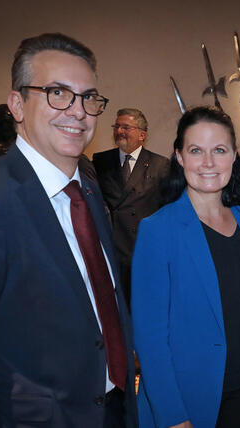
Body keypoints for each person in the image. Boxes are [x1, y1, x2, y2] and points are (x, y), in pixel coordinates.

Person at [0, 33, 138, 428]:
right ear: (17, 104)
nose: (78, 111)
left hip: (112, 410)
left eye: (88, 97)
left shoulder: (86, 188)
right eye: (57, 93)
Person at [132, 106, 240, 428]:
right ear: (179, 157)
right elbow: (150, 337)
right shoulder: (158, 230)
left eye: (219, 150)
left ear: (234, 156)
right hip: (191, 399)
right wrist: (173, 416)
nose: (208, 163)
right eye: (196, 150)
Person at [93, 108, 169, 304]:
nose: (119, 131)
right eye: (117, 126)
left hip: (143, 252)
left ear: (142, 134)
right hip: (112, 250)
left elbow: (166, 210)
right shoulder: (100, 161)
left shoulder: (160, 165)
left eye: (126, 127)